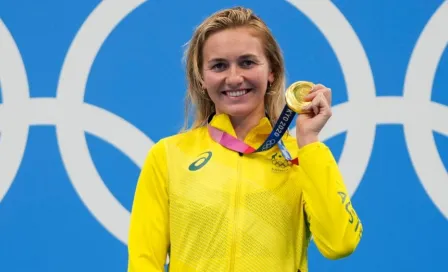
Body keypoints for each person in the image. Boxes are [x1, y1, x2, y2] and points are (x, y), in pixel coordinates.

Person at [127, 6, 362, 272]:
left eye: (247, 62)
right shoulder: (168, 156)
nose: (235, 77)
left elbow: (340, 243)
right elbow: (143, 263)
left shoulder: (301, 155)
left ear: (271, 71)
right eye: (219, 66)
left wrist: (309, 141)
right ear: (202, 78)